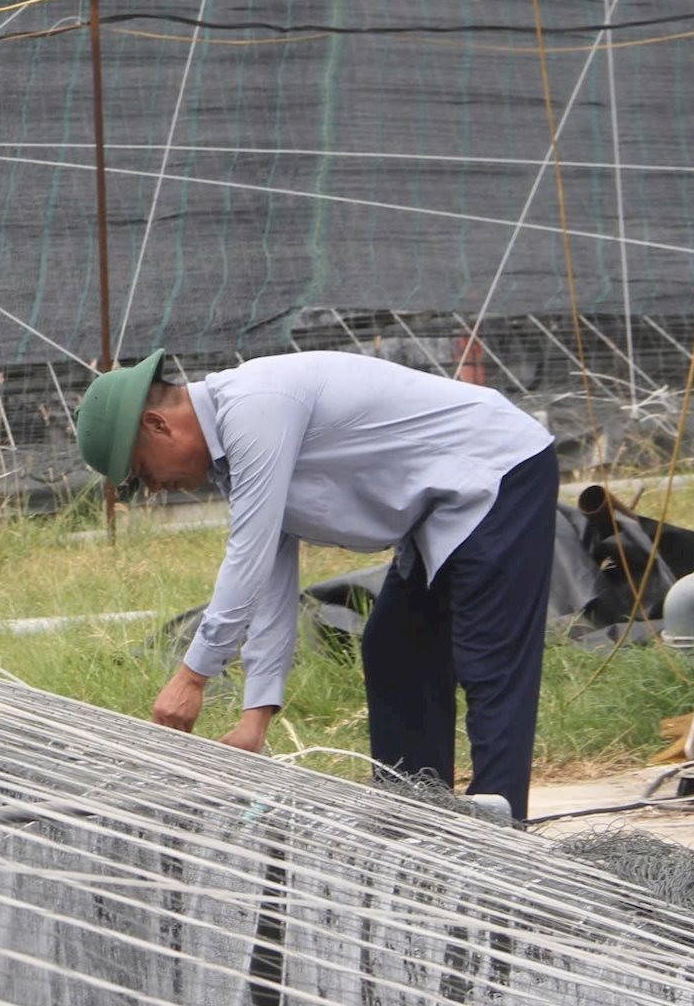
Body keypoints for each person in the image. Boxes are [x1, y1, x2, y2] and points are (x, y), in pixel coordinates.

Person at [74, 348, 559, 818]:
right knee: (395, 649)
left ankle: (503, 831)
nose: (155, 489)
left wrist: (192, 676)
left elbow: (249, 555)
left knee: (489, 660)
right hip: (440, 508)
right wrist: (253, 720)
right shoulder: (234, 448)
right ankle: (415, 820)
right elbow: (270, 575)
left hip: (497, 469)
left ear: (157, 425)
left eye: (143, 472)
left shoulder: (253, 407)